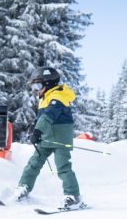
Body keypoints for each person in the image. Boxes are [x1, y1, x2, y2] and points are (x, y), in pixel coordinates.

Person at [10, 67, 84, 210]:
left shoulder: (58, 97)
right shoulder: (47, 97)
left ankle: (73, 196)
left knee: (63, 167)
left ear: (48, 83)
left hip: (60, 139)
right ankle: (23, 188)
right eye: (34, 86)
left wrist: (37, 131)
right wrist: (34, 126)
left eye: (38, 85)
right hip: (47, 138)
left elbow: (48, 116)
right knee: (33, 163)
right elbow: (42, 117)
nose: (36, 90)